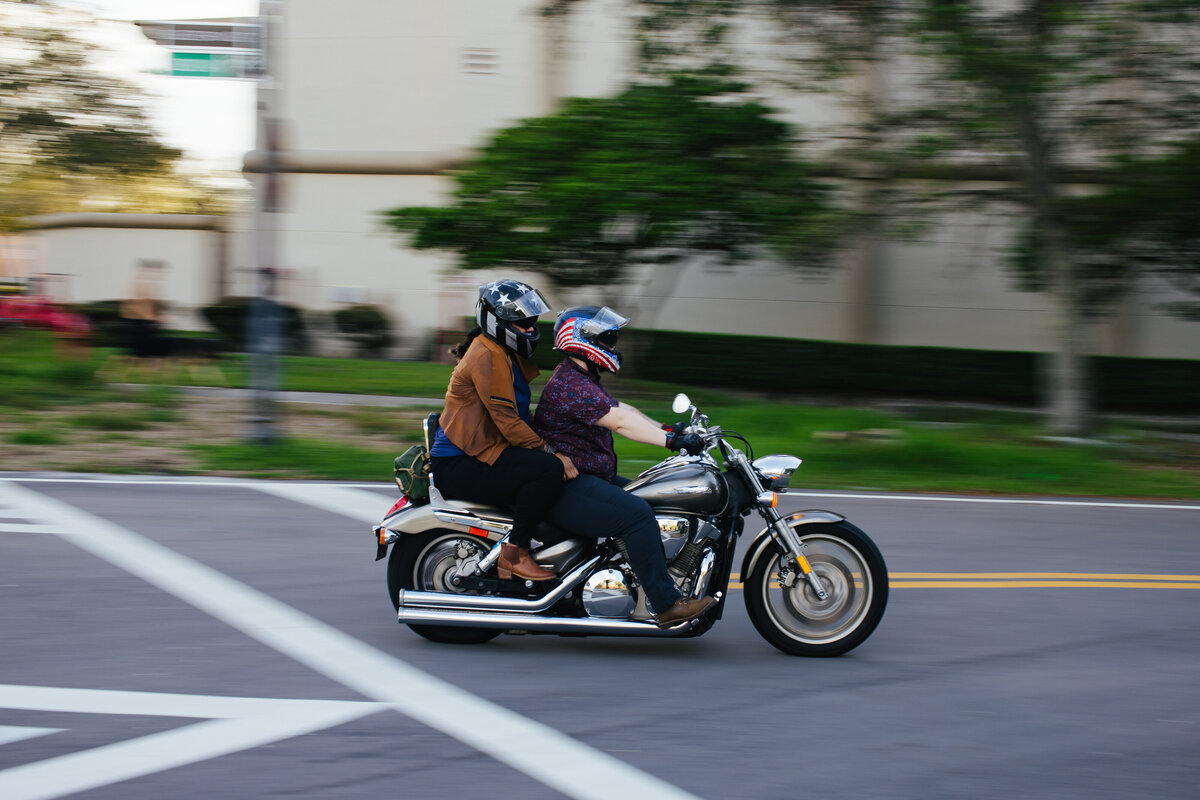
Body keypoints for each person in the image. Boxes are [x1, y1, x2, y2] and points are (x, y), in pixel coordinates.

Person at [533, 305, 716, 628]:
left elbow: (623, 409)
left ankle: (639, 581)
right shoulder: (570, 385)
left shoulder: (580, 377)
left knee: (651, 499)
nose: (613, 346)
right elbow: (620, 422)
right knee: (636, 514)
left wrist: (670, 429)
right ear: (583, 340)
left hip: (585, 477)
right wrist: (671, 443)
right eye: (608, 338)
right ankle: (666, 603)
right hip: (566, 484)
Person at [429, 279, 577, 582]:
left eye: (532, 321)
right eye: (521, 322)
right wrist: (552, 453)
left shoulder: (501, 352)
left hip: (481, 452)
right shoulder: (487, 355)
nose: (529, 329)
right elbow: (508, 422)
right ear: (496, 321)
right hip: (461, 462)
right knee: (546, 470)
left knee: (546, 466)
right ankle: (515, 554)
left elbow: (520, 413)